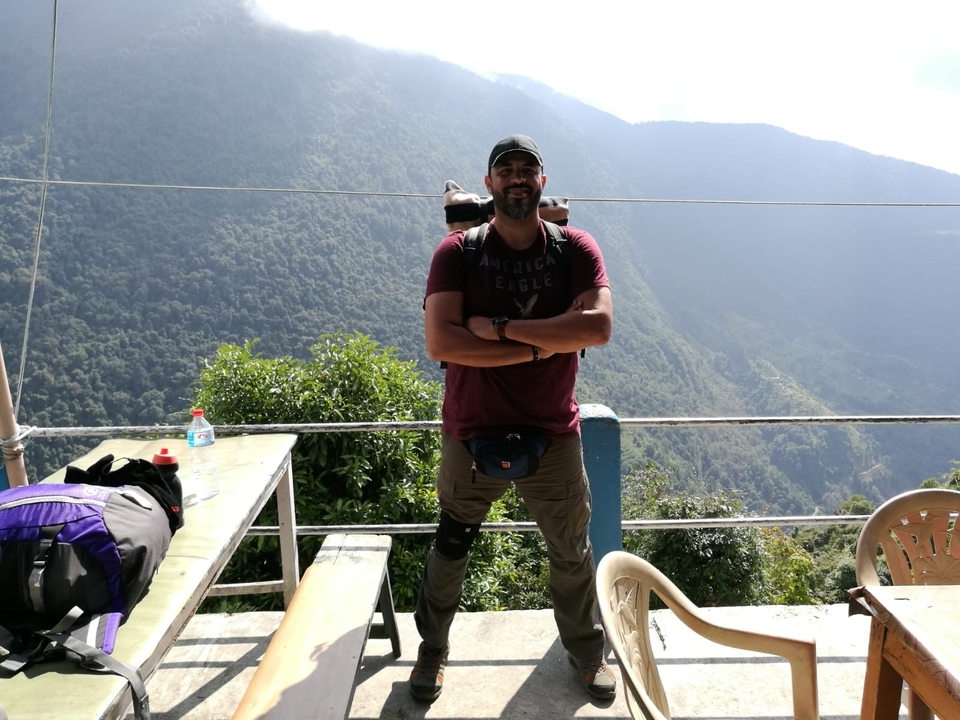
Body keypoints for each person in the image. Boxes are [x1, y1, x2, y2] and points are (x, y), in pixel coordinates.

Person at [412, 134, 616, 702]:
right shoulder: (457, 253)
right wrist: (543, 342)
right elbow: (441, 342)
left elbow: (597, 327)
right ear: (490, 184)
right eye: (506, 170)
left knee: (570, 552)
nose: (517, 178)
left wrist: (501, 329)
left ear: (542, 183)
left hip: (553, 432)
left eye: (528, 169)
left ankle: (586, 651)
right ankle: (432, 651)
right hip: (471, 430)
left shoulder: (574, 248)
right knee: (451, 545)